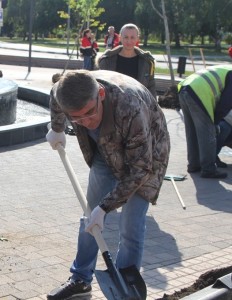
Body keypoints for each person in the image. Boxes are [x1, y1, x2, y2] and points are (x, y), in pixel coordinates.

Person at [46, 69, 170, 299]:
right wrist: (57, 128)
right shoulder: (65, 91)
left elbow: (140, 168)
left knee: (130, 225)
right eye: (77, 117)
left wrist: (105, 208)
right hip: (105, 147)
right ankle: (80, 279)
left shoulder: (130, 106)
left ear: (100, 94)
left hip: (147, 154)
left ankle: (124, 287)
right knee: (89, 218)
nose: (86, 122)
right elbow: (55, 94)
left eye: (89, 113)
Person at [178, 64, 232, 179]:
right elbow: (226, 103)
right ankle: (208, 169)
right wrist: (215, 122)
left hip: (185, 88)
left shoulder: (226, 68)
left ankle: (194, 165)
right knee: (207, 134)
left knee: (192, 132)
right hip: (199, 93)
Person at [98, 23, 156, 98]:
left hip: (139, 107)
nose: (129, 41)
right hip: (113, 107)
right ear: (120, 37)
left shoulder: (147, 62)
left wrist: (154, 108)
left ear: (137, 39)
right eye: (126, 37)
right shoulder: (107, 61)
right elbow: (100, 87)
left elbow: (151, 87)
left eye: (132, 37)